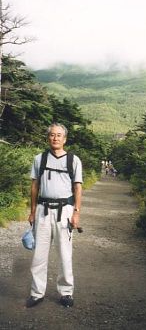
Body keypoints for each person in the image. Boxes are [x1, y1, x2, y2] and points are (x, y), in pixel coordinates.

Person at [26, 123, 83, 308]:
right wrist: (32, 211)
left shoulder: (73, 160)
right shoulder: (39, 159)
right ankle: (36, 293)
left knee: (65, 254)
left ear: (65, 139)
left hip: (65, 211)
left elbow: (77, 188)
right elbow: (34, 186)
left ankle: (66, 292)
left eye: (59, 135)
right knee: (38, 255)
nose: (55, 138)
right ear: (48, 137)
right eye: (52, 135)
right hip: (42, 210)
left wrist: (76, 213)